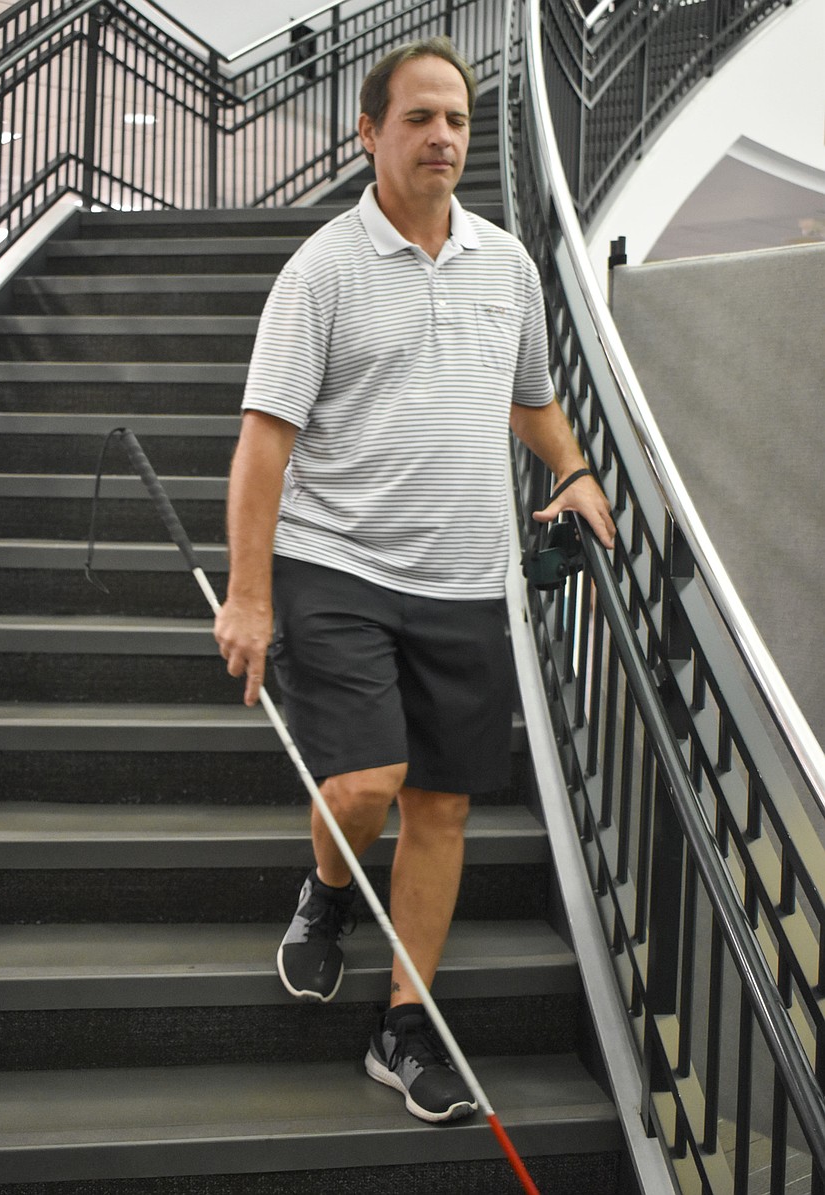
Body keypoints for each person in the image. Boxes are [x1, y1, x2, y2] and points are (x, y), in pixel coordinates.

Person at [214, 36, 615, 1125]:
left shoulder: (508, 266)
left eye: (457, 121)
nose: (441, 137)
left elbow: (529, 396)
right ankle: (328, 889)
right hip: (336, 563)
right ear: (368, 133)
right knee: (364, 784)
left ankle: (402, 1025)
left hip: (464, 579)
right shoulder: (322, 272)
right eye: (418, 119)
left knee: (441, 805)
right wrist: (250, 594)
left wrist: (571, 470)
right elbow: (262, 444)